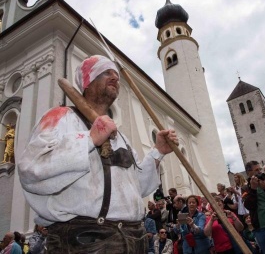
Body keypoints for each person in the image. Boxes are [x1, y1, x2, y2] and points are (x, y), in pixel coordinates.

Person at [18, 55, 178, 254]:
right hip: (85, 239)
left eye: (116, 74)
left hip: (134, 238)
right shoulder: (60, 117)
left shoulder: (121, 138)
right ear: (86, 82)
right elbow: (31, 168)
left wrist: (158, 152)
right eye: (105, 73)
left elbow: (138, 187)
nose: (114, 78)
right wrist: (89, 139)